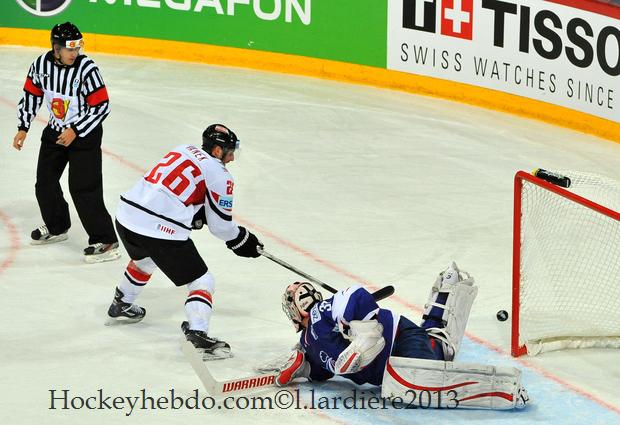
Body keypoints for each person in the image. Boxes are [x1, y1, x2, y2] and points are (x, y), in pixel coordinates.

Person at [275, 263, 530, 410]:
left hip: (401, 341)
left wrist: (367, 334)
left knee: (415, 383)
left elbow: (356, 295)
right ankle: (445, 299)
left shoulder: (322, 313)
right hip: (398, 358)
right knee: (435, 354)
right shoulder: (310, 342)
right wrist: (304, 367)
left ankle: (503, 388)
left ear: (294, 312)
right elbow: (326, 370)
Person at [106, 124, 263, 360]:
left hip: (126, 215)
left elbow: (173, 190)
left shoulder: (183, 149)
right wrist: (242, 240)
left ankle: (122, 302)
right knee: (202, 280)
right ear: (218, 151)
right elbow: (221, 228)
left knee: (146, 259)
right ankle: (198, 335)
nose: (232, 157)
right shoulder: (221, 176)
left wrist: (196, 213)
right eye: (230, 151)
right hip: (157, 228)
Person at [12, 22, 120, 264]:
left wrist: (76, 129)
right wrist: (23, 126)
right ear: (56, 48)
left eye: (78, 48)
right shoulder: (40, 65)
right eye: (70, 49)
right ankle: (57, 226)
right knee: (45, 183)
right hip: (55, 132)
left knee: (83, 188)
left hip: (85, 135)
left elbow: (102, 106)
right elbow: (31, 95)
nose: (75, 53)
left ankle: (106, 239)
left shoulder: (88, 69)